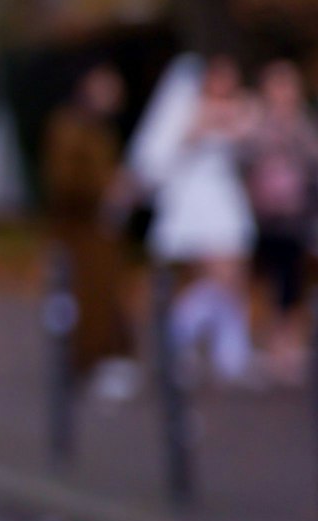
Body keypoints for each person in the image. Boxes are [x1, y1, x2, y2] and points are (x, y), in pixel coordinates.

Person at [151, 55, 259, 387]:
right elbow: (178, 142)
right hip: (196, 198)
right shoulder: (190, 106)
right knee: (205, 275)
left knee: (230, 275)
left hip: (224, 197)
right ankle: (183, 337)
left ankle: (214, 343)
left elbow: (249, 138)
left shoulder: (242, 108)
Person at [42, 65, 137, 399]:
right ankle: (88, 360)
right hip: (82, 231)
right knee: (86, 296)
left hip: (100, 230)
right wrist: (105, 190)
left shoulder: (98, 130)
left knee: (102, 295)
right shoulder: (71, 127)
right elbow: (65, 182)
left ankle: (103, 357)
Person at [242, 60, 318, 385]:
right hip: (265, 214)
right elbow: (244, 155)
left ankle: (290, 343)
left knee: (293, 277)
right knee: (270, 280)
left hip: (296, 213)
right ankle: (273, 343)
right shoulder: (256, 122)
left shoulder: (302, 123)